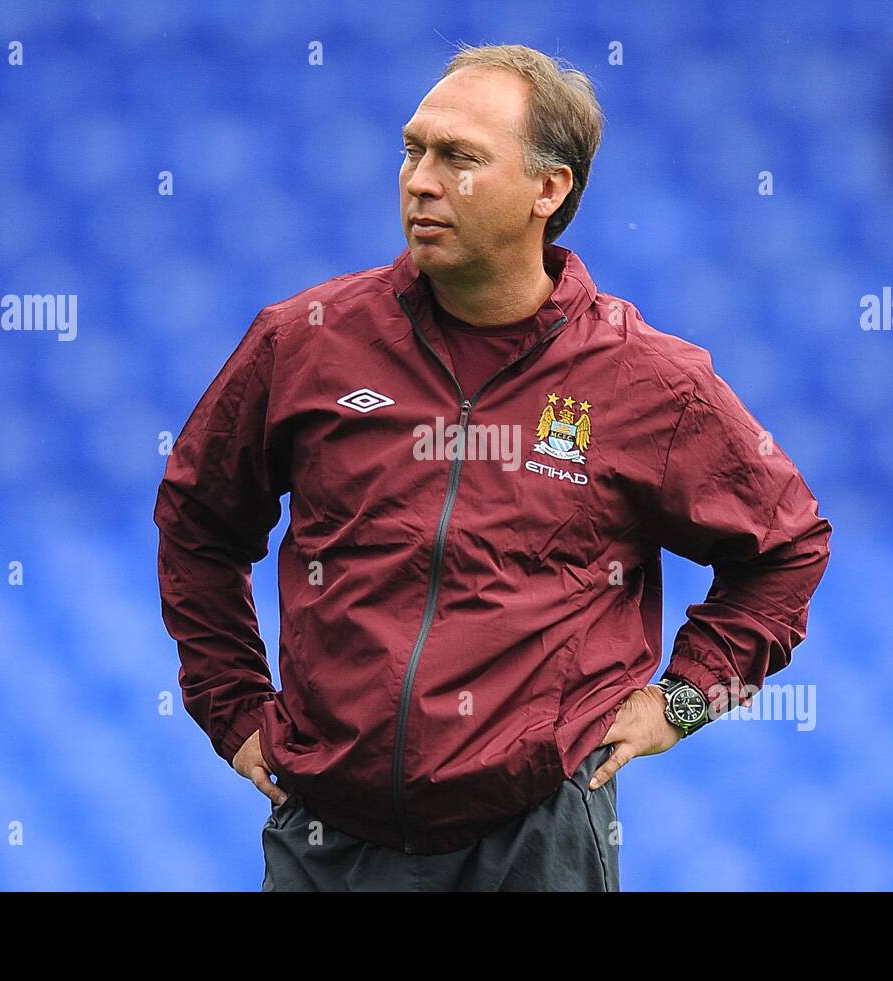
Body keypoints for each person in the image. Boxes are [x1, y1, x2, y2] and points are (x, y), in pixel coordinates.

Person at [154, 43, 832, 891]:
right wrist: (231, 709)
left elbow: (787, 548)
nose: (419, 179)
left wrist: (683, 700)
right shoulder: (308, 339)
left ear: (549, 189)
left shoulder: (649, 380)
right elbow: (196, 521)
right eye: (413, 149)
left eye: (459, 157)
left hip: (534, 840)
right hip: (327, 833)